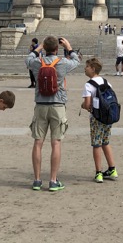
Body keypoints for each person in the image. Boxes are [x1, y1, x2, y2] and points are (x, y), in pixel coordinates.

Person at [26, 36, 82, 192]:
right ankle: (52, 180)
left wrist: (39, 48)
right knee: (56, 143)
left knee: (38, 143)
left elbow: (28, 58)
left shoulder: (37, 62)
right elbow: (77, 61)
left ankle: (37, 180)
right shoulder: (63, 62)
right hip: (57, 105)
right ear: (57, 49)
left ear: (45, 48)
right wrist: (69, 47)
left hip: (41, 105)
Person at [81, 57, 118, 183]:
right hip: (108, 116)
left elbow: (87, 104)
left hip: (96, 118)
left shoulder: (88, 84)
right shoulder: (107, 82)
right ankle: (112, 169)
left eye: (86, 66)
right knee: (105, 142)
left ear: (92, 69)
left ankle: (98, 172)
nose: (85, 69)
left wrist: (82, 106)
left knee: (96, 144)